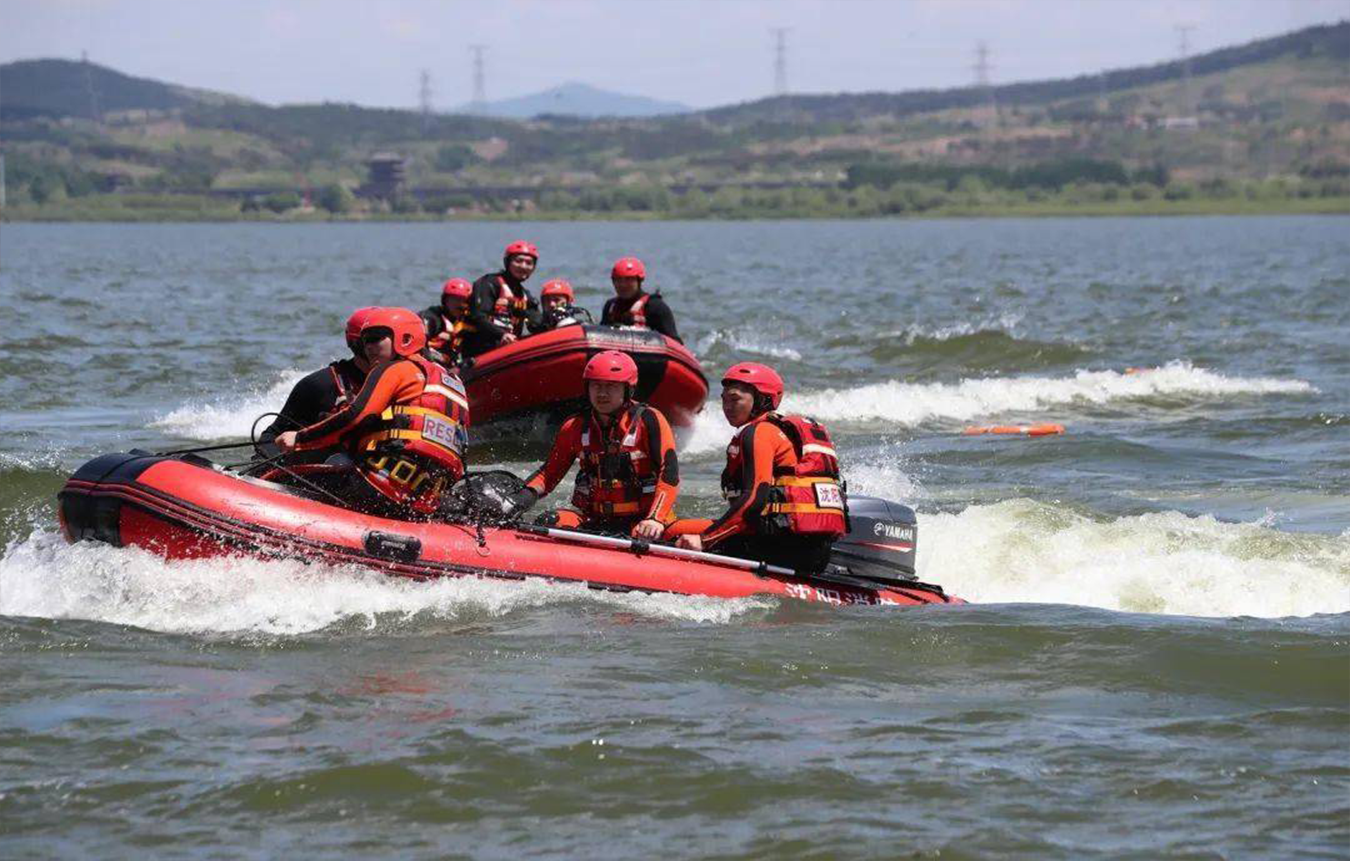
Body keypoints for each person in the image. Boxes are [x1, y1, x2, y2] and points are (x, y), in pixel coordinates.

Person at [273, 307, 470, 520]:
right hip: (424, 502)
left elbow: (356, 416)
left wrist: (299, 439)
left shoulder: (393, 369)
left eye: (376, 338)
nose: (368, 347)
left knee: (281, 479)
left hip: (376, 489)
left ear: (405, 338)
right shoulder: (454, 382)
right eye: (365, 341)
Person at [668, 362, 847, 573]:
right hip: (816, 551)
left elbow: (753, 500)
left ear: (763, 399)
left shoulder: (759, 433)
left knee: (671, 531)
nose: (727, 407)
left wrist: (705, 540)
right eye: (724, 399)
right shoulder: (780, 432)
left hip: (781, 548)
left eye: (735, 399)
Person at [504, 350, 678, 539]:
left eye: (611, 386)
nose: (602, 393)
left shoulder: (649, 420)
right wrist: (519, 499)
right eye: (596, 385)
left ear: (628, 389)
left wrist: (655, 518)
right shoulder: (575, 426)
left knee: (674, 535)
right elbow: (548, 475)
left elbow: (669, 472)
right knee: (548, 521)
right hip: (595, 521)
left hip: (643, 523)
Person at [256, 306, 380, 462]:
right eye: (375, 340)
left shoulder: (406, 381)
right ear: (359, 344)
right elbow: (271, 437)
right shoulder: (320, 384)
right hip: (331, 466)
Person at [461, 240, 544, 359]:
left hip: (508, 353)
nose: (523, 266)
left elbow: (537, 323)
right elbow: (478, 317)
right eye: (518, 261)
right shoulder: (489, 283)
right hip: (479, 353)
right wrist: (502, 334)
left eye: (529, 263)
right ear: (507, 262)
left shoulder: (526, 296)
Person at [600, 256, 680, 343]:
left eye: (628, 280)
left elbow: (675, 342)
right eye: (618, 280)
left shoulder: (655, 307)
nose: (623, 285)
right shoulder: (610, 307)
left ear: (639, 281)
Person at [420, 277, 473, 367]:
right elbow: (420, 342)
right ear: (445, 300)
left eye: (463, 300)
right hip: (430, 362)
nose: (458, 304)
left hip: (454, 367)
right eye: (454, 299)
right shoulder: (433, 317)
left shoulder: (468, 321)